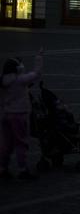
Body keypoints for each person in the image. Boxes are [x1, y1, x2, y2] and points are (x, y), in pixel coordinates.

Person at [1, 49, 43, 181]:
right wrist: (39, 57)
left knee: (6, 144)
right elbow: (36, 73)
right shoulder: (20, 80)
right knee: (21, 143)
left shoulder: (2, 81)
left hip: (5, 115)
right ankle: (22, 170)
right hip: (19, 115)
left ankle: (2, 169)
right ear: (18, 68)